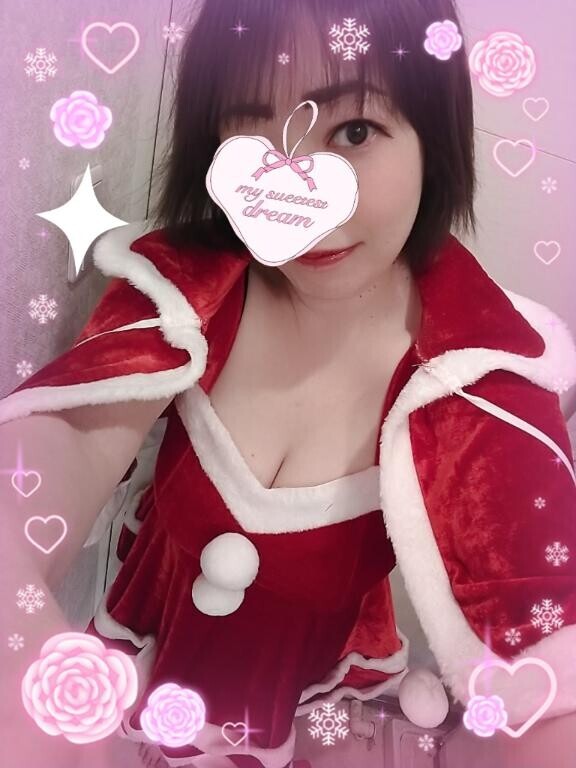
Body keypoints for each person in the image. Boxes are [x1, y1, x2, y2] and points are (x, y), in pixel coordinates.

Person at [1, 1, 576, 767]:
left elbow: (550, 667)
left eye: (354, 131)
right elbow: (57, 453)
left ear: (433, 136)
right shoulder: (186, 289)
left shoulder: (485, 382)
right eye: (251, 132)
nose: (304, 200)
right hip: (151, 648)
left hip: (293, 699)